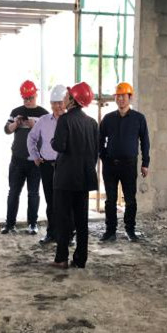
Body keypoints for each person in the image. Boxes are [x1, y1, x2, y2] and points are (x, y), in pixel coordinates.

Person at [50, 82, 99, 269]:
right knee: (81, 220)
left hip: (65, 179)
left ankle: (61, 258)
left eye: (67, 96)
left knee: (63, 219)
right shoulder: (92, 123)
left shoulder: (65, 120)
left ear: (72, 100)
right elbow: (95, 152)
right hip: (84, 179)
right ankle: (80, 259)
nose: (64, 98)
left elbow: (59, 146)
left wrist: (53, 140)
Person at [99, 82, 150, 243]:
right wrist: (103, 157)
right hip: (110, 165)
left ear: (130, 97)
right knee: (110, 200)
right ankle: (110, 231)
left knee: (130, 199)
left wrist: (145, 163)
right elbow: (100, 139)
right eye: (118, 96)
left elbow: (145, 141)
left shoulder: (138, 118)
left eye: (124, 96)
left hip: (129, 165)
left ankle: (130, 230)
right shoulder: (108, 118)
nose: (120, 99)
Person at [2, 80, 49, 235]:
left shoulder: (43, 113)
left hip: (35, 160)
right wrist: (15, 124)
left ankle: (32, 224)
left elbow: (49, 134)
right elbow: (6, 130)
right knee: (13, 192)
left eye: (30, 98)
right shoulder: (16, 111)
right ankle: (9, 224)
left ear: (36, 95)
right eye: (25, 99)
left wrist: (34, 125)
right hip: (17, 159)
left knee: (33, 193)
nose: (28, 101)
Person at [27, 84, 67, 245]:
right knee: (51, 201)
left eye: (60, 102)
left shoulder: (70, 120)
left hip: (65, 167)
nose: (58, 106)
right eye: (54, 103)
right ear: (51, 104)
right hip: (47, 166)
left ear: (66, 102)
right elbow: (31, 138)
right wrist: (35, 156)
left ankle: (67, 235)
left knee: (65, 202)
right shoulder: (43, 121)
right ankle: (52, 233)